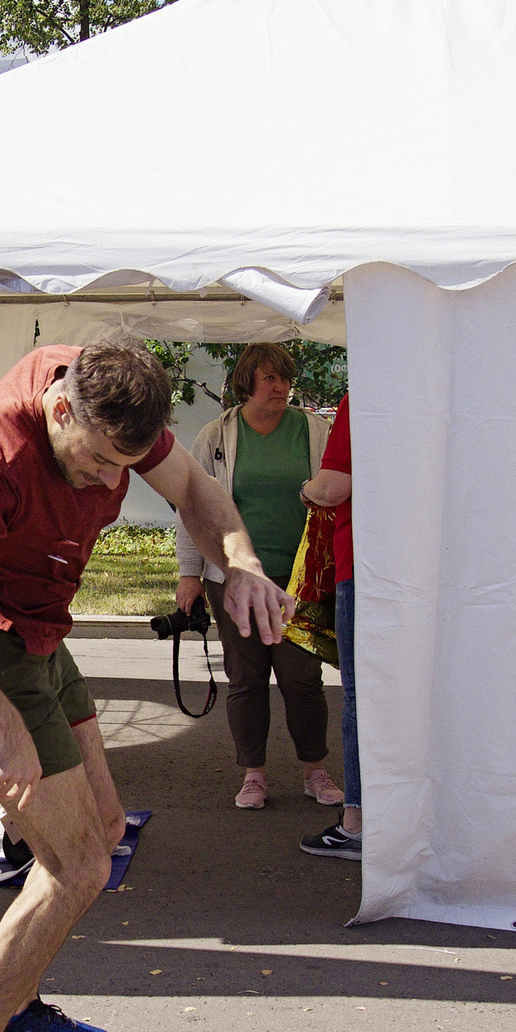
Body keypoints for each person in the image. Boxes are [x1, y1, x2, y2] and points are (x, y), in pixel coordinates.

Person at [0, 337, 290, 1032]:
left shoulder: (109, 389)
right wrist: (2, 725)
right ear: (60, 409)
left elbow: (194, 488)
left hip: (41, 629)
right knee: (77, 866)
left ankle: (20, 1004)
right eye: (101, 462)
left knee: (102, 831)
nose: (113, 482)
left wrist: (241, 560)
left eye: (125, 467)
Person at [173, 343, 337, 810]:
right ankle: (253, 775)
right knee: (246, 677)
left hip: (300, 579)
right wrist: (189, 573)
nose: (280, 387)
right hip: (232, 577)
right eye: (270, 378)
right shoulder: (216, 435)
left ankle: (315, 771)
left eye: (285, 378)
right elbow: (191, 506)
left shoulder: (314, 430)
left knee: (302, 678)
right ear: (247, 382)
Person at [297, 391, 359, 858]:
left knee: (361, 698)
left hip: (363, 565)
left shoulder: (364, 397)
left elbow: (333, 486)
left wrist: (307, 489)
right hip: (425, 570)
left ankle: (356, 822)